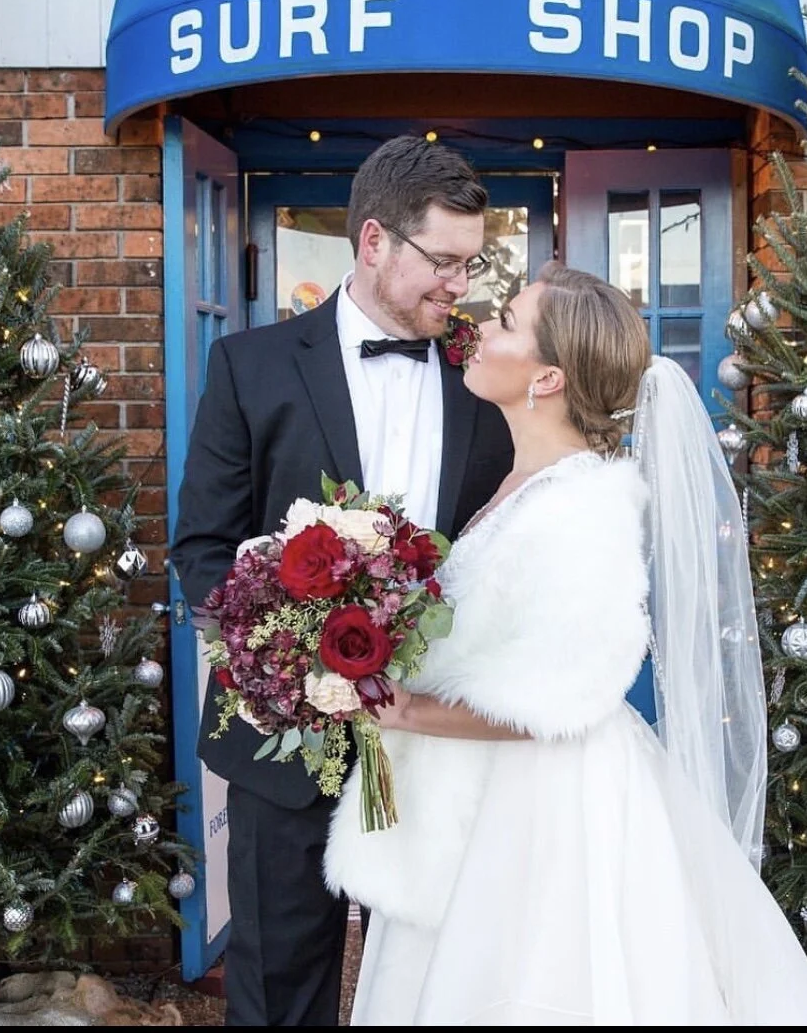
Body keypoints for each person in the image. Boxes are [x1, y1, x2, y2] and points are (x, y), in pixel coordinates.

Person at [324, 265, 807, 1026]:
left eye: (505, 319)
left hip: (541, 819)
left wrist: (399, 708)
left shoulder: (583, 509)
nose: (480, 327)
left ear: (547, 377)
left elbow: (559, 696)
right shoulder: (521, 484)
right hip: (469, 803)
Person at [171, 136, 514, 1026]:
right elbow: (202, 549)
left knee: (435, 986)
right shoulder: (250, 365)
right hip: (283, 747)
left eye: (469, 263)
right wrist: (281, 666)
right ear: (372, 242)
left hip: (439, 745)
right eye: (442, 260)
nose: (458, 284)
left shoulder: (487, 378)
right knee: (279, 984)